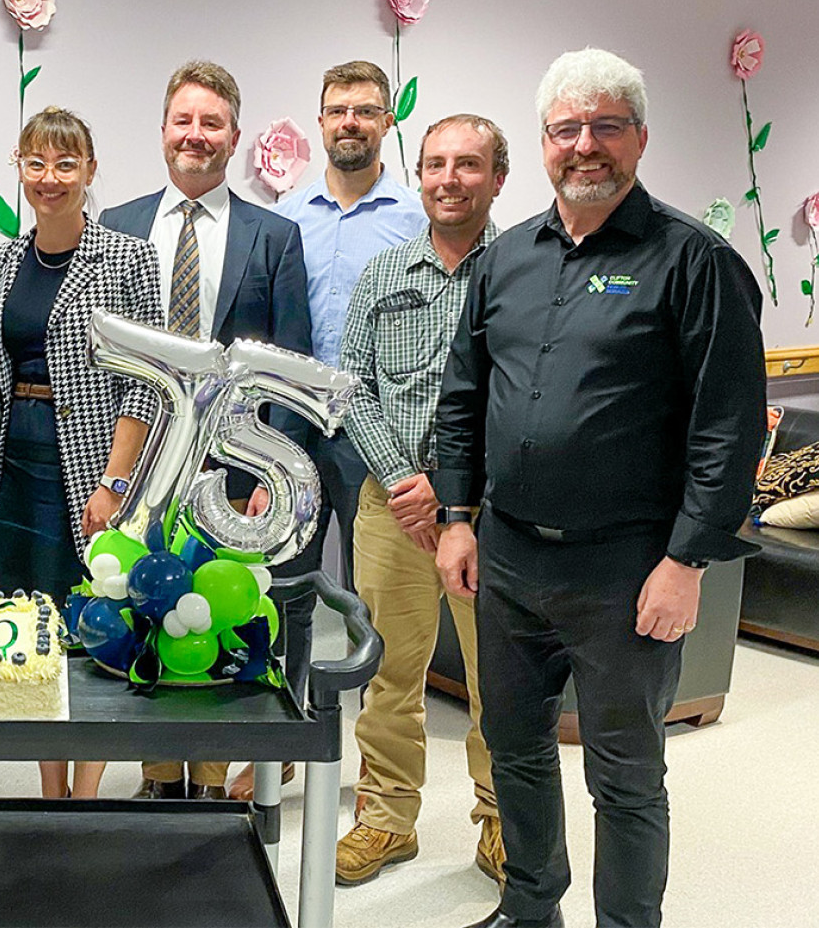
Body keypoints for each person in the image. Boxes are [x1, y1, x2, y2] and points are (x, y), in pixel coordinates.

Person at [433, 49, 766, 928]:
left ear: (640, 139)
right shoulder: (504, 260)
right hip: (505, 559)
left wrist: (688, 561)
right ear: (544, 143)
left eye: (606, 126)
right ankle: (531, 904)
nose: (586, 145)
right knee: (514, 748)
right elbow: (463, 396)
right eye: (567, 128)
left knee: (624, 774)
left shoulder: (694, 261)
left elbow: (728, 430)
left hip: (629, 571)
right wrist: (458, 517)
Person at [100, 59, 311, 801]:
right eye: (183, 120)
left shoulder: (275, 235)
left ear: (234, 136)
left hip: (233, 468)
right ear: (163, 131)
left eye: (211, 122)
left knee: (220, 611)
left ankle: (215, 778)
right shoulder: (116, 227)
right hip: (142, 459)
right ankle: (159, 775)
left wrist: (267, 479)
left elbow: (290, 359)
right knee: (147, 600)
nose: (196, 135)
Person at [334, 114, 509, 888]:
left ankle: (504, 822)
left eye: (467, 164)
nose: (448, 178)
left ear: (498, 177)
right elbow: (352, 387)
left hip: (490, 515)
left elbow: (528, 394)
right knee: (388, 674)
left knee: (498, 677)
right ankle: (384, 819)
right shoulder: (384, 273)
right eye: (435, 163)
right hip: (388, 508)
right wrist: (407, 482)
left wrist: (449, 484)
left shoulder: (526, 273)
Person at [0, 106, 163, 799]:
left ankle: (85, 794)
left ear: (88, 170)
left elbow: (146, 386)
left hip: (92, 468)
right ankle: (50, 788)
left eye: (65, 163)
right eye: (35, 163)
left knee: (93, 625)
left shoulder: (127, 257)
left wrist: (116, 481)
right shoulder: (0, 260)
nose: (49, 177)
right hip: (16, 467)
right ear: (19, 169)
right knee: (28, 628)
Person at [271, 60, 426, 706]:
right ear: (321, 121)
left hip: (374, 435)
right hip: (294, 431)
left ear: (387, 121)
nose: (350, 122)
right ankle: (283, 734)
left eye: (364, 110)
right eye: (338, 110)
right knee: (291, 587)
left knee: (376, 596)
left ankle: (372, 742)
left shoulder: (417, 219)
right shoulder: (284, 216)